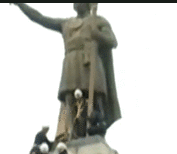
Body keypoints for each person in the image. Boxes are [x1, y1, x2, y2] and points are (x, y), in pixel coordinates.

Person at [12, 3, 121, 142]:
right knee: (70, 98)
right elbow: (39, 17)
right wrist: (20, 4)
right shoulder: (66, 23)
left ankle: (96, 130)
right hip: (71, 63)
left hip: (91, 63)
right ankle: (74, 134)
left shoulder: (98, 20)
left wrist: (97, 35)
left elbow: (113, 41)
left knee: (95, 99)